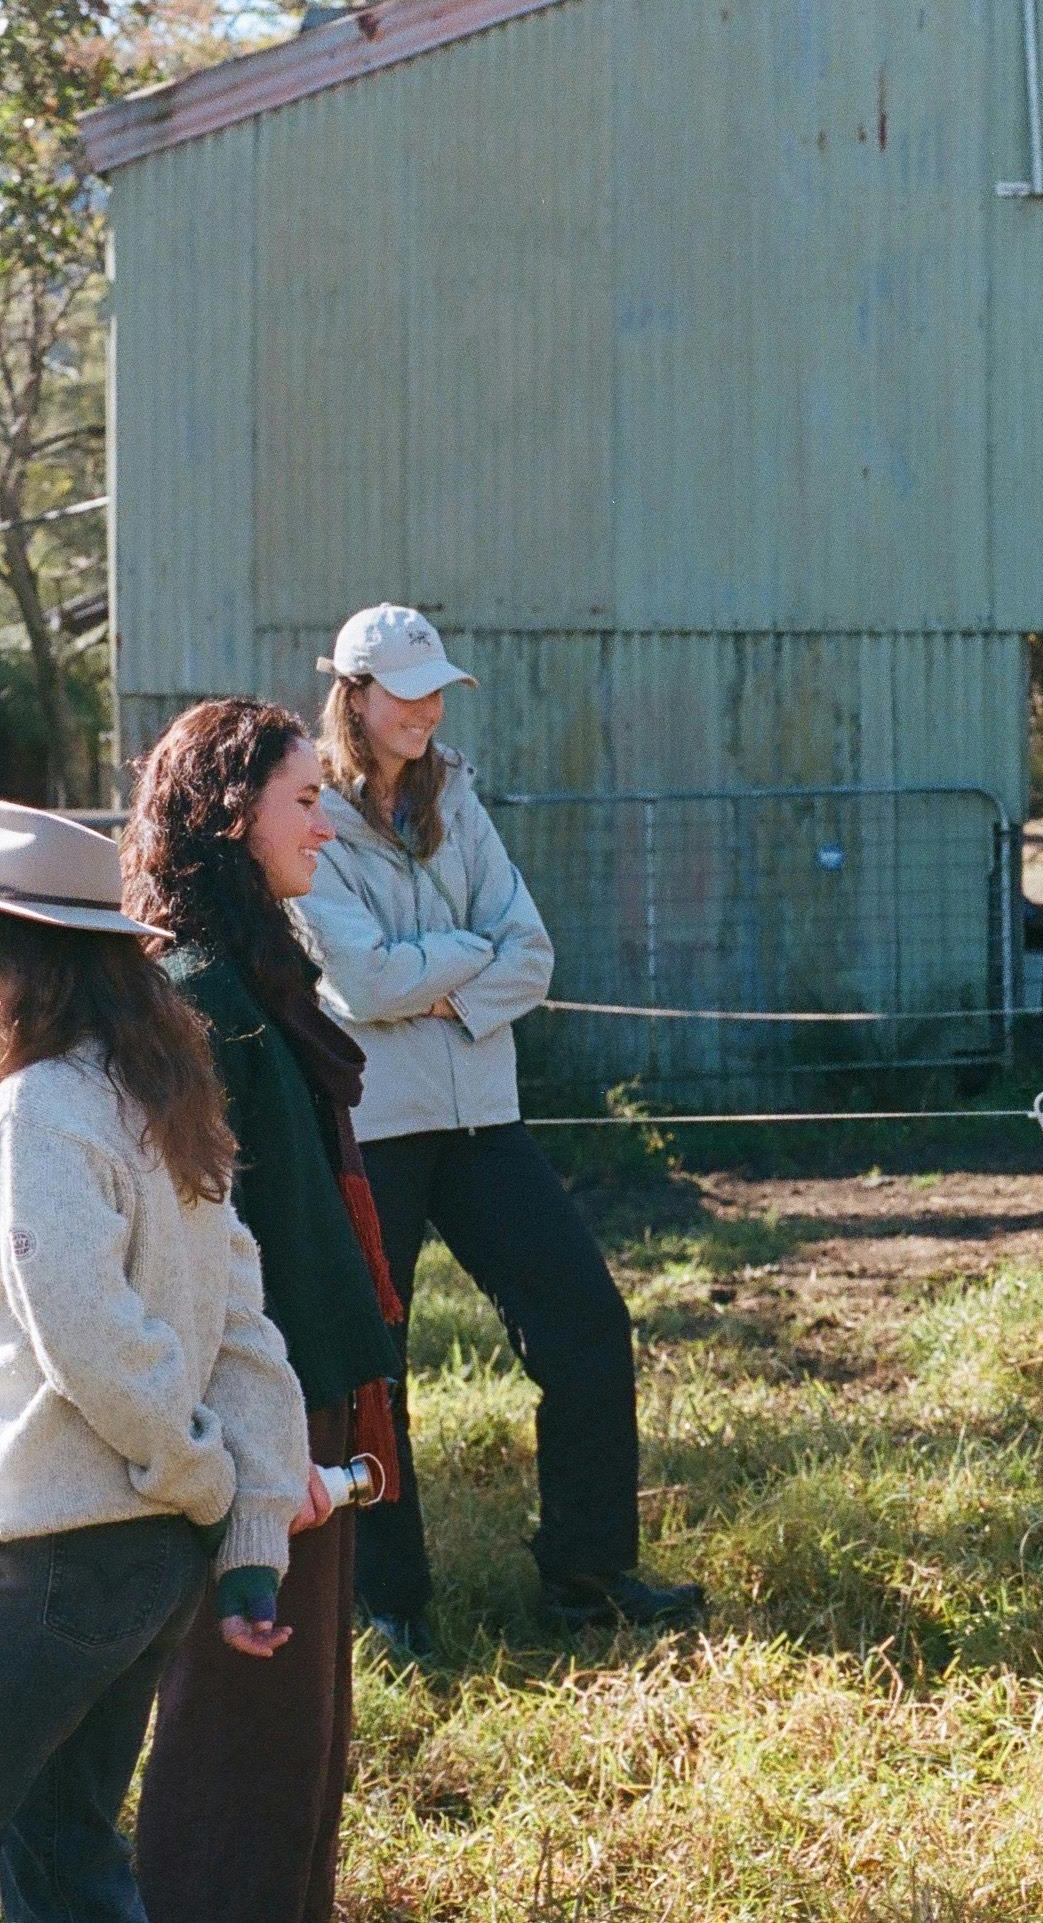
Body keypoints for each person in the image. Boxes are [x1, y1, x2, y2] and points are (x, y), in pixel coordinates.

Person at [290, 605, 701, 1656]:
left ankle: (587, 1572)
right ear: (354, 695)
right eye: (406, 688)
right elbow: (361, 977)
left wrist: (437, 981)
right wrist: (459, 960)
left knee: (588, 1325)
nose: (426, 706)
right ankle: (394, 1605)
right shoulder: (313, 814)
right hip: (376, 1126)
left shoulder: (454, 794)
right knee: (377, 1367)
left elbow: (532, 952)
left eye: (437, 688)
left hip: (486, 1117)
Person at [0, 801, 322, 1923]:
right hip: (150, 1568)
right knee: (64, 1850)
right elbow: (246, 1338)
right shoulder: (164, 1104)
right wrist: (244, 1549)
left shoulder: (38, 1106)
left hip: (53, 1556)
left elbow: (88, 1338)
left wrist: (204, 1474)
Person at [124, 698, 409, 1923]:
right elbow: (203, 1255)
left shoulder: (251, 968)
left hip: (314, 1398)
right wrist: (260, 1438)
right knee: (244, 1747)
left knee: (300, 1752)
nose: (325, 829)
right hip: (259, 1410)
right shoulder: (194, 991)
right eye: (304, 801)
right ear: (233, 815)